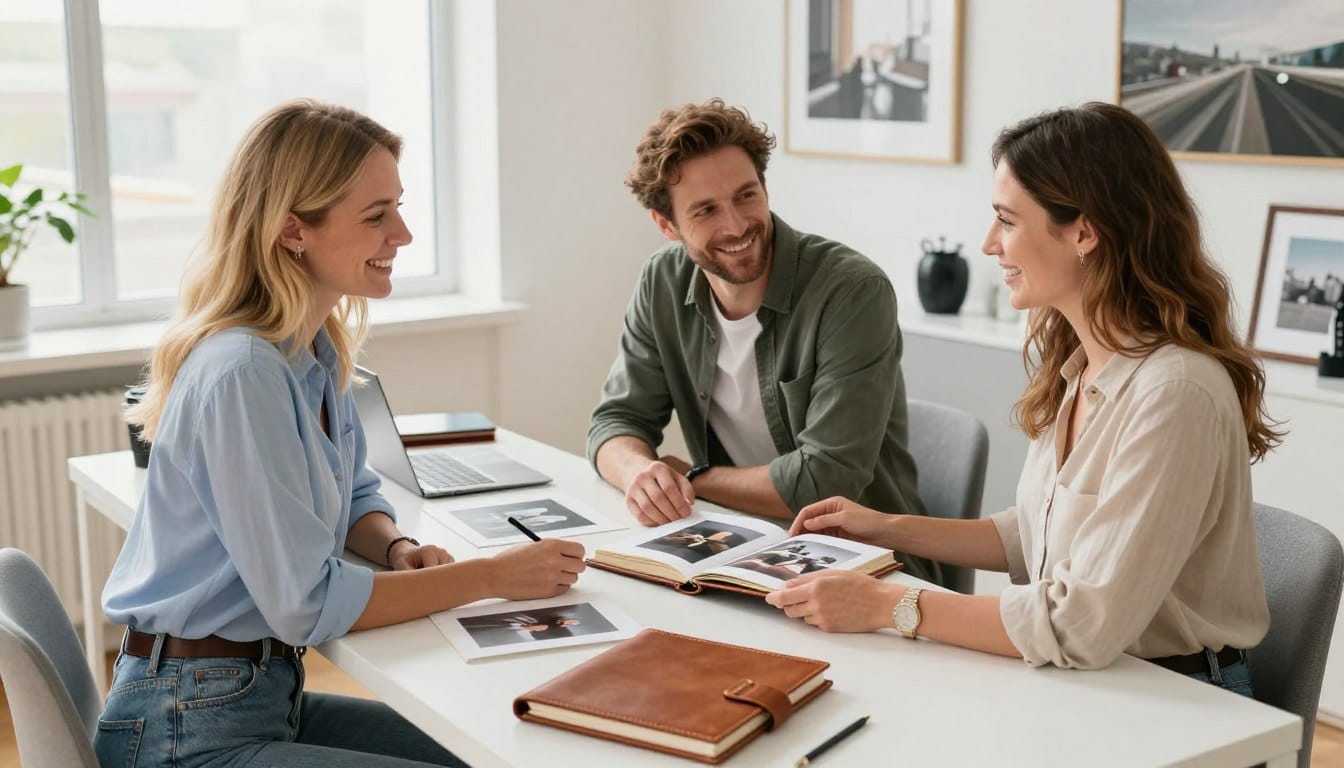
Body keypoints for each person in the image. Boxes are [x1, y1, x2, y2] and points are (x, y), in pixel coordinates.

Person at [100, 100, 586, 768]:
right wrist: (492, 576)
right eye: (376, 215)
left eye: (398, 206)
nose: (405, 234)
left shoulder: (311, 351)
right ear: (294, 231)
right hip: (183, 726)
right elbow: (308, 602)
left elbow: (354, 488)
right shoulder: (243, 373)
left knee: (486, 752)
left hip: (252, 695)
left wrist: (395, 546)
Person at [766, 102, 1279, 695]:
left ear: (1084, 231)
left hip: (1177, 698)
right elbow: (1032, 535)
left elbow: (1078, 623)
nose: (990, 244)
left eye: (1007, 221)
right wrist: (885, 528)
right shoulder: (1080, 367)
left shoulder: (1175, 395)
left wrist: (887, 604)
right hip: (1093, 680)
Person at [587, 98, 936, 583]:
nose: (735, 226)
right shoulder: (661, 282)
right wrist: (638, 474)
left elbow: (825, 478)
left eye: (746, 196)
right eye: (706, 210)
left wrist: (691, 479)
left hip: (864, 562)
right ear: (667, 225)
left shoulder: (852, 291)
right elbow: (616, 420)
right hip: (737, 544)